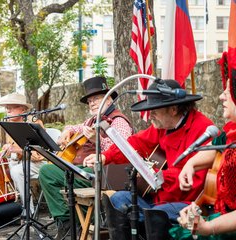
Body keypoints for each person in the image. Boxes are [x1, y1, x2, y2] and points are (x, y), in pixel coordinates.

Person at [83, 79, 214, 240]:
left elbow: (194, 181)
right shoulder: (163, 126)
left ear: (173, 109)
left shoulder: (202, 129)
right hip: (160, 198)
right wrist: (106, 156)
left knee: (152, 214)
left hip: (188, 203)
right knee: (118, 199)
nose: (150, 115)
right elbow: (135, 142)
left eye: (155, 110)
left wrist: (155, 175)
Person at [39, 76, 133, 240]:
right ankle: (67, 222)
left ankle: (77, 223)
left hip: (103, 173)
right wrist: (66, 132)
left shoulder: (119, 121)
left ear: (109, 99)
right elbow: (73, 127)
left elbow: (120, 151)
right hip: (82, 169)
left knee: (62, 175)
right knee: (47, 170)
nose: (92, 103)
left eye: (97, 98)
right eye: (90, 101)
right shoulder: (91, 120)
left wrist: (96, 140)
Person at [173, 63, 236, 239]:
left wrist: (208, 227)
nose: (221, 96)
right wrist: (190, 163)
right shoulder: (231, 132)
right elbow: (216, 148)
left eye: (228, 92)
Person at [0, 92, 45, 215]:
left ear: (22, 109)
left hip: (41, 163)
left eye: (12, 107)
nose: (8, 110)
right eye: (7, 108)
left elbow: (39, 154)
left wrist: (16, 150)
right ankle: (10, 204)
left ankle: (29, 212)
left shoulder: (34, 123)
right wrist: (3, 153)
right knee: (7, 165)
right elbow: (14, 153)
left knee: (16, 170)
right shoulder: (10, 125)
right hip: (22, 162)